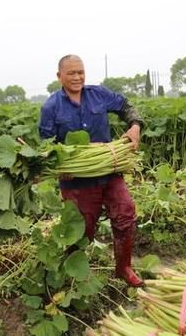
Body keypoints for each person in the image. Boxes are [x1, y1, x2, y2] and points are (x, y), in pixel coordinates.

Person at [39, 54, 144, 287]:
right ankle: (74, 277)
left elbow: (126, 106)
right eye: (71, 73)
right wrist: (60, 166)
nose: (77, 77)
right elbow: (46, 145)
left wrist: (135, 126)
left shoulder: (98, 94)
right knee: (81, 228)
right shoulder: (51, 106)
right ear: (59, 77)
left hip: (109, 169)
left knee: (125, 212)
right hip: (76, 180)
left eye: (81, 72)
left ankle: (124, 268)